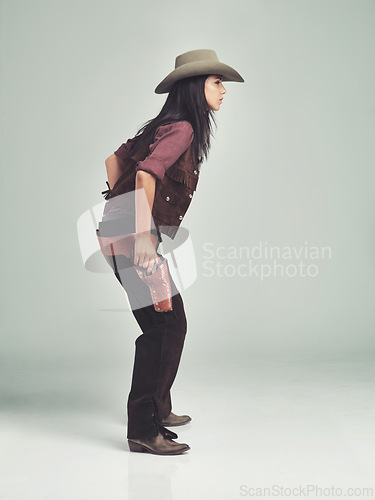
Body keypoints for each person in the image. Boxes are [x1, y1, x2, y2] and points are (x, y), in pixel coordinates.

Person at [100, 49, 244, 455]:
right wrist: (141, 231)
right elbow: (145, 173)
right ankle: (143, 430)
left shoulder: (161, 126)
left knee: (170, 323)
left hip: (119, 234)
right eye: (217, 82)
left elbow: (114, 161)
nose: (223, 90)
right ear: (196, 87)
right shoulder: (182, 128)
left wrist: (118, 210)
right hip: (133, 240)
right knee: (162, 327)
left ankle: (158, 411)